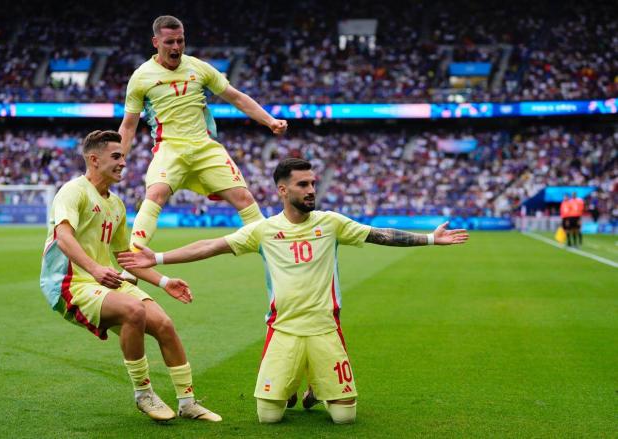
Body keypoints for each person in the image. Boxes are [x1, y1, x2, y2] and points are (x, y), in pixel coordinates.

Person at [117, 158, 469, 424]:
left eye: (313, 183)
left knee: (345, 419)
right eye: (302, 184)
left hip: (324, 328)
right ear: (283, 191)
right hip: (282, 328)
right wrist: (158, 257)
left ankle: (317, 385)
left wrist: (429, 239)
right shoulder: (264, 231)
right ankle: (299, 383)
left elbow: (379, 234)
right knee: (269, 416)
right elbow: (213, 245)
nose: (311, 189)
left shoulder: (331, 223)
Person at [39, 130, 221, 423]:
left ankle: (187, 402)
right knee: (133, 311)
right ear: (94, 159)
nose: (123, 162)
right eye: (116, 156)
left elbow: (127, 258)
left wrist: (164, 281)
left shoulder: (117, 204)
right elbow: (63, 236)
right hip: (69, 284)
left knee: (164, 324)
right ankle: (143, 393)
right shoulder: (73, 190)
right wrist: (96, 269)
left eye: (123, 156)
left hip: (103, 280)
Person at [118, 15, 288, 256]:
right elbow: (128, 125)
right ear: (155, 42)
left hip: (204, 146)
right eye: (169, 42)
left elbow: (236, 97)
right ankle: (133, 259)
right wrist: (119, 158)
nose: (176, 47)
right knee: (155, 194)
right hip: (169, 148)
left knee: (243, 196)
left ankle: (274, 253)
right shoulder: (141, 77)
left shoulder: (199, 67)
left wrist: (269, 120)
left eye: (180, 41)